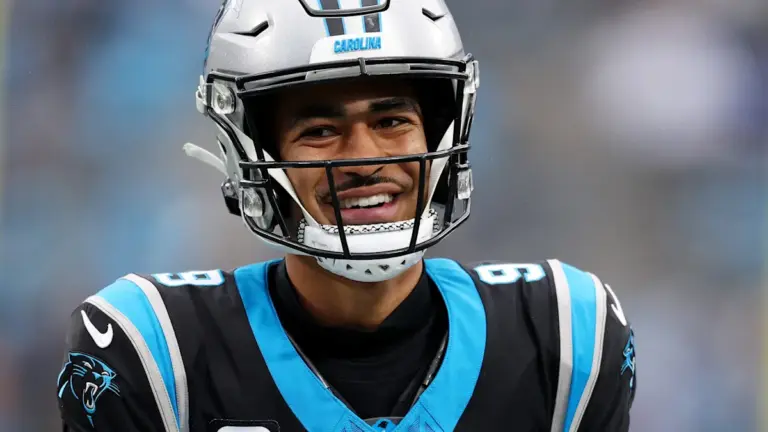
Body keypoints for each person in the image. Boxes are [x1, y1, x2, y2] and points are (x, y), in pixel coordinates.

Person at [57, 1, 636, 431]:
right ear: (252, 152)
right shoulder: (156, 352)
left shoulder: (563, 336)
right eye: (320, 130)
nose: (363, 159)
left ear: (443, 132)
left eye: (391, 122)